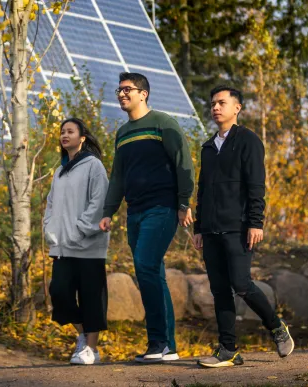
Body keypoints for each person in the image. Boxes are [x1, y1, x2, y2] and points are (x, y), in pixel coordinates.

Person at [193, 85, 294, 368]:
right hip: (211, 229)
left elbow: (256, 185)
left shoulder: (248, 140)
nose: (215, 108)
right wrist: (198, 227)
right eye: (212, 103)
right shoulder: (208, 147)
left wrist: (255, 222)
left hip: (238, 227)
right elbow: (202, 190)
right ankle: (228, 350)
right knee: (219, 289)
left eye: (222, 103)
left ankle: (276, 327)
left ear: (237, 108)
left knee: (241, 283)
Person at [99, 72, 195, 363]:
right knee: (151, 273)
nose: (121, 94)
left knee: (145, 265)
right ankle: (163, 345)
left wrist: (183, 202)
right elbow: (118, 176)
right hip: (135, 211)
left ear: (144, 94)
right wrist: (108, 211)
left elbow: (183, 162)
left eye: (128, 89)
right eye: (119, 90)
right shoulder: (123, 133)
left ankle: (162, 343)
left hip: (162, 208)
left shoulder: (162, 123)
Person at [44, 117, 110, 365]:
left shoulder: (94, 165)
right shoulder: (60, 171)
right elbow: (51, 204)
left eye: (70, 131)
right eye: (62, 132)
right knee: (59, 293)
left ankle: (91, 349)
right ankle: (82, 335)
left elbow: (99, 201)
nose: (64, 135)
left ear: (82, 137)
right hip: (61, 245)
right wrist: (49, 228)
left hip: (88, 246)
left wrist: (80, 230)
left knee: (92, 296)